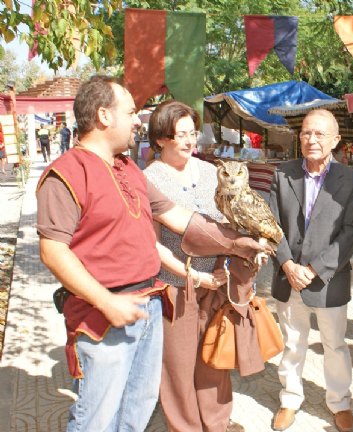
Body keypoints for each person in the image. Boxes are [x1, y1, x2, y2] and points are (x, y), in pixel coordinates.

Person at [36, 76, 269, 432]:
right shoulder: (65, 173)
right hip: (103, 315)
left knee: (137, 408)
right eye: (131, 112)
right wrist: (106, 301)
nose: (137, 121)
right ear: (104, 116)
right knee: (98, 416)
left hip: (149, 305)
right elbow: (53, 251)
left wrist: (237, 242)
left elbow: (177, 216)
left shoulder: (127, 168)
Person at [144, 100, 262, 432]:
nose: (189, 140)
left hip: (217, 284)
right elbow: (153, 245)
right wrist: (193, 275)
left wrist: (229, 263)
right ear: (161, 138)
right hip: (176, 287)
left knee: (214, 358)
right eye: (180, 134)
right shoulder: (149, 179)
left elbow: (230, 226)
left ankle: (217, 423)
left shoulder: (212, 173)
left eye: (192, 133)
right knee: (178, 367)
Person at [269, 109, 353, 432]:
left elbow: (350, 235)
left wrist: (312, 270)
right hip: (288, 277)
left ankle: (340, 402)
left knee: (334, 346)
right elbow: (270, 225)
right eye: (307, 133)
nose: (312, 139)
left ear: (336, 140)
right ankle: (290, 399)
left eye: (320, 134)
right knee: (292, 343)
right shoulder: (282, 174)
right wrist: (287, 264)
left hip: (327, 280)